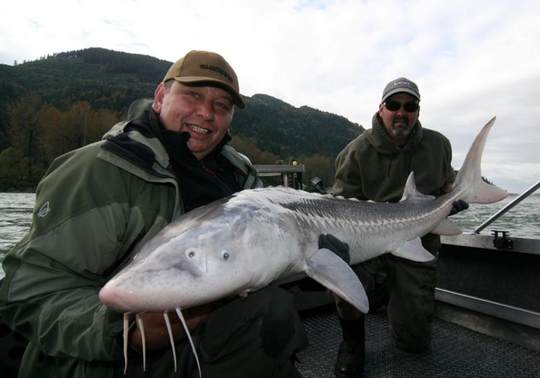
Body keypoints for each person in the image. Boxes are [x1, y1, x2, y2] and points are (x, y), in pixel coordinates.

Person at [0, 50, 308, 378]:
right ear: (161, 97)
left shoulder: (240, 176)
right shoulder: (97, 171)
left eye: (222, 106)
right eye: (193, 95)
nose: (206, 112)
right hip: (100, 360)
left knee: (274, 314)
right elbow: (29, 292)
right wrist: (128, 332)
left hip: (211, 334)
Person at [330, 77, 468, 377]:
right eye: (394, 105)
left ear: (418, 111)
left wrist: (454, 196)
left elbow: (447, 184)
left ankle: (393, 300)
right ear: (381, 109)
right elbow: (338, 207)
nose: (401, 112)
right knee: (340, 270)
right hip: (366, 245)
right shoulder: (355, 152)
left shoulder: (438, 144)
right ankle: (352, 343)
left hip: (418, 240)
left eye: (410, 106)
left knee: (414, 343)